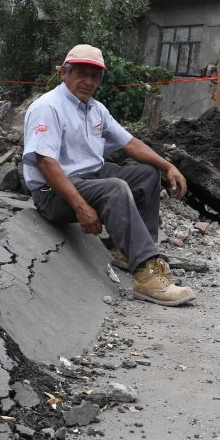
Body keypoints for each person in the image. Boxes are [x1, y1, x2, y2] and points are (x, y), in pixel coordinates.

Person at [22, 44, 196, 307]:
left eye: (94, 76)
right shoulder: (48, 107)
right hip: (53, 192)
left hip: (88, 177)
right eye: (81, 73)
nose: (88, 81)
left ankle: (132, 253)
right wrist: (80, 207)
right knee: (115, 187)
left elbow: (129, 144)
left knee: (147, 174)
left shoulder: (95, 109)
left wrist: (167, 166)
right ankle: (146, 277)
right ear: (64, 73)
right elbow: (45, 163)